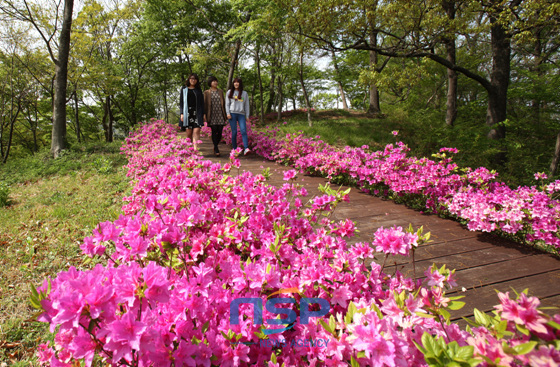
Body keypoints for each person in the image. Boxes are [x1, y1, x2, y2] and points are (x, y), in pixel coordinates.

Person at [225, 77, 251, 155]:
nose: (236, 83)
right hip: (232, 114)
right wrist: (228, 113)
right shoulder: (229, 92)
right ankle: (235, 149)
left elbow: (247, 105)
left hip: (241, 114)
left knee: (243, 130)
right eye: (235, 82)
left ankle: (246, 148)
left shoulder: (244, 93)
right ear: (233, 83)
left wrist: (247, 116)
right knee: (234, 132)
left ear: (240, 84)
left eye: (238, 82)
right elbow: (227, 104)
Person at [203, 76, 228, 156]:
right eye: (213, 81)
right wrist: (204, 115)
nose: (215, 83)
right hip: (212, 114)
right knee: (214, 130)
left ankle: (216, 145)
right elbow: (204, 104)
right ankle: (216, 147)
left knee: (220, 131)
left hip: (220, 114)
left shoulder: (220, 91)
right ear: (210, 83)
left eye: (216, 81)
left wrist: (226, 114)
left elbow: (223, 103)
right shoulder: (206, 92)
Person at [179, 73, 205, 150]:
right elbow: (181, 102)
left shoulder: (198, 90)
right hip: (187, 112)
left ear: (197, 81)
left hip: (197, 112)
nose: (193, 80)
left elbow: (202, 103)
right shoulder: (184, 89)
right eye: (191, 78)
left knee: (196, 131)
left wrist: (203, 114)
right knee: (189, 133)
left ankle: (196, 150)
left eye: (195, 79)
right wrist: (181, 113)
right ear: (189, 79)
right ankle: (189, 149)